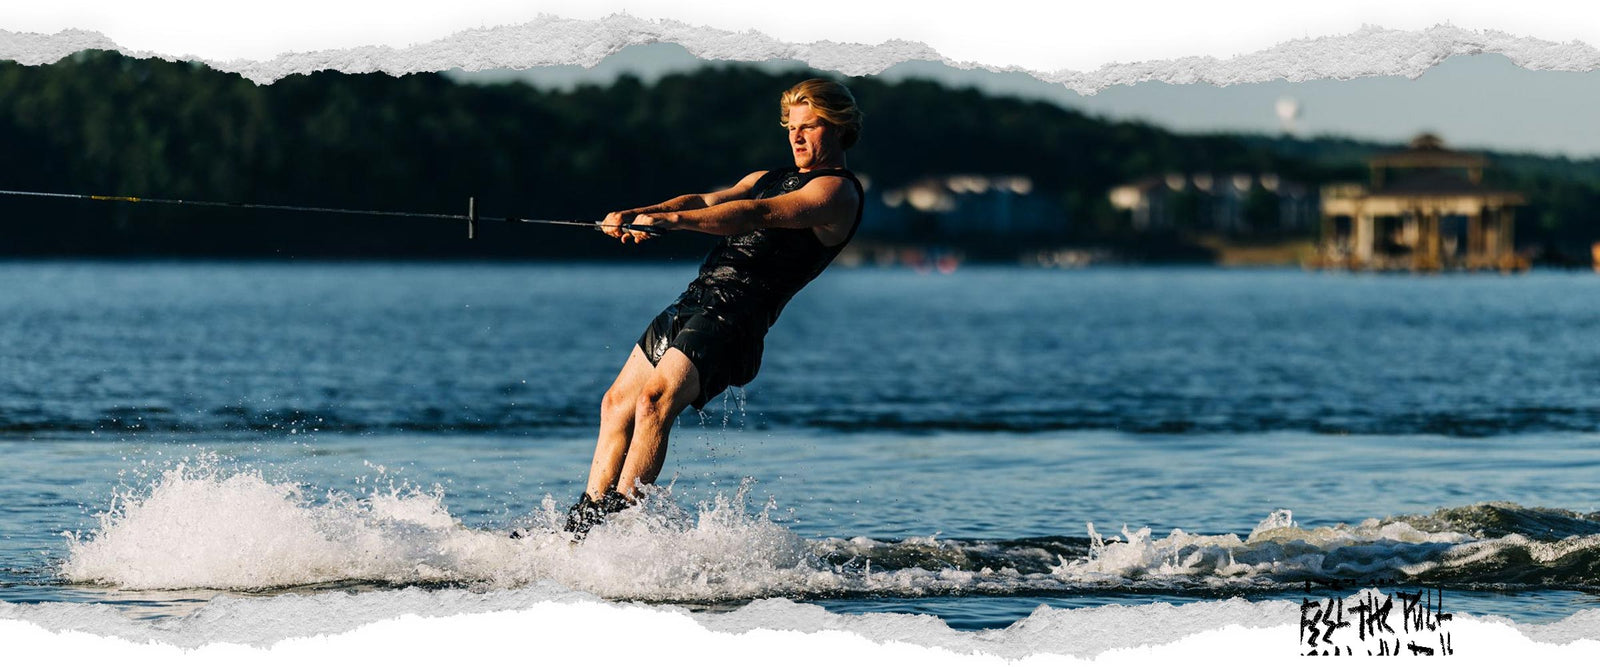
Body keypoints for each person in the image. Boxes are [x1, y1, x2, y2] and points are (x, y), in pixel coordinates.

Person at [564, 78, 866, 536]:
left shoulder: (836, 194)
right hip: (697, 299)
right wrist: (639, 213)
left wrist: (673, 222)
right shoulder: (762, 179)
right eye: (791, 127)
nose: (797, 137)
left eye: (810, 127)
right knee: (616, 403)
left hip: (736, 318)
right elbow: (707, 200)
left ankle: (621, 529)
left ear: (840, 127)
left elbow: (758, 215)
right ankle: (582, 528)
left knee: (654, 400)